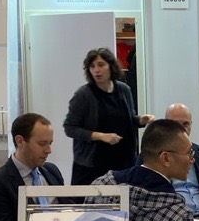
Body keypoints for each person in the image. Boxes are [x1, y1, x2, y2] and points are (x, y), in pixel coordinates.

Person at [63, 48, 154, 186]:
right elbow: (70, 128)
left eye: (100, 65)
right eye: (92, 66)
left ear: (111, 66)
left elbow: (127, 120)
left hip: (123, 160)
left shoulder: (123, 90)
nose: (96, 70)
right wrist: (101, 136)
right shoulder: (84, 94)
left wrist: (141, 120)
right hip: (92, 164)